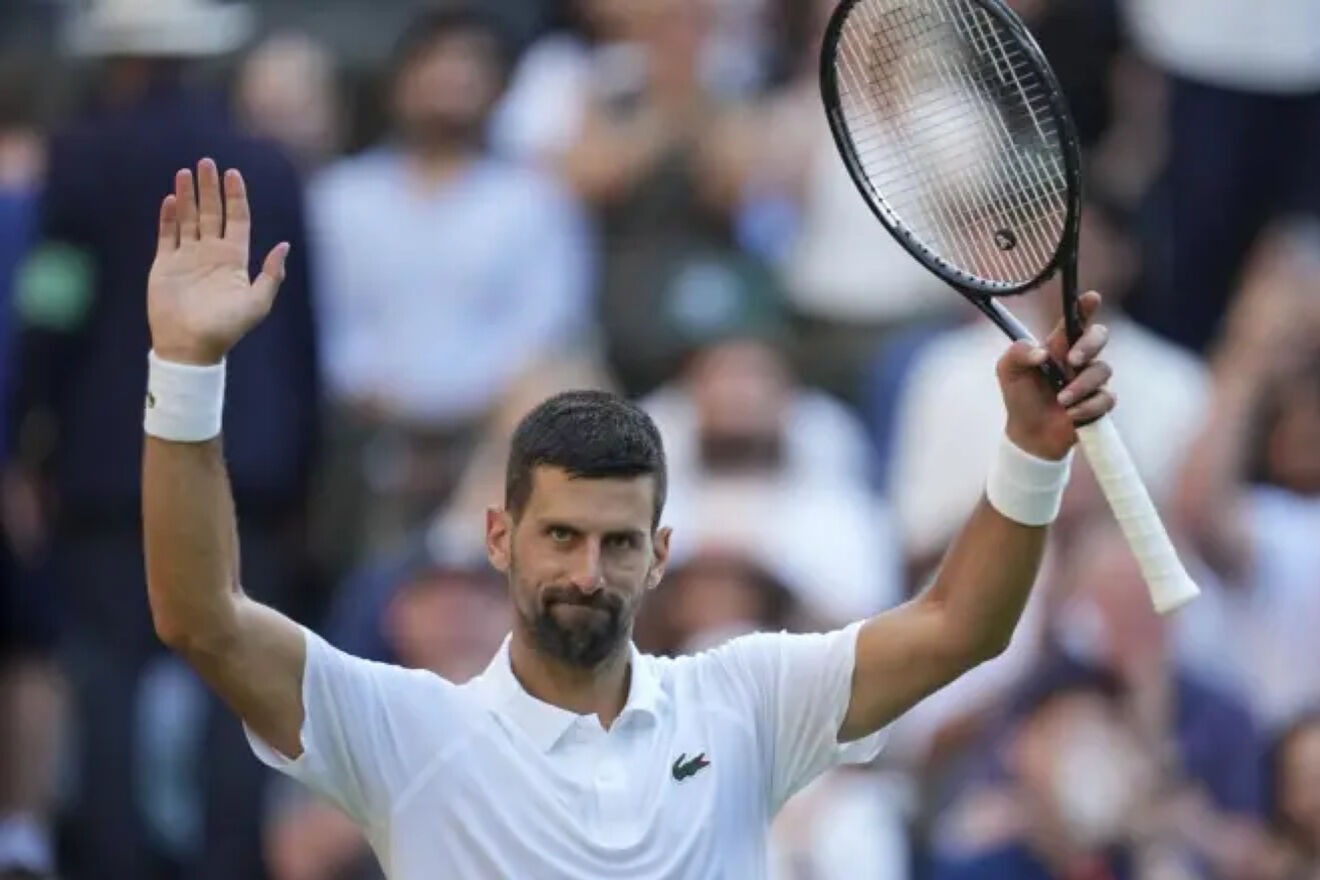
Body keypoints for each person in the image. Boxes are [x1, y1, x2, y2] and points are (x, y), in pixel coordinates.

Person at [139, 159, 1117, 877]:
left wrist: (1033, 451)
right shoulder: (407, 726)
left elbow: (960, 625)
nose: (586, 572)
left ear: (660, 556)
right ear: (498, 539)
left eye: (617, 543)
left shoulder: (745, 701)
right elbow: (201, 618)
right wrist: (185, 367)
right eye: (560, 536)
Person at [13, 2, 320, 877]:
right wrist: (303, 466)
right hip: (252, 466)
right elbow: (303, 332)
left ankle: (114, 862)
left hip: (109, 467)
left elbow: (53, 305)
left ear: (117, 61)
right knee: (242, 673)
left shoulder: (79, 158)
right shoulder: (268, 162)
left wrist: (27, 434)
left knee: (108, 677)